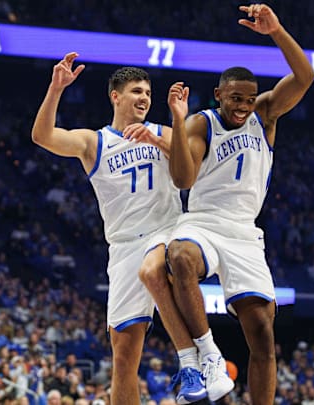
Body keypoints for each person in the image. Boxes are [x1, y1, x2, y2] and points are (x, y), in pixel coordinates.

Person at [31, 53, 205, 404]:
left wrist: (159, 139)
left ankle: (195, 361)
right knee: (124, 357)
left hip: (166, 232)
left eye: (148, 93)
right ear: (116, 96)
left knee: (153, 270)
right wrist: (55, 89)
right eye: (137, 91)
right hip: (124, 247)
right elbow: (42, 136)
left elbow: (194, 157)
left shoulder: (163, 132)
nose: (144, 98)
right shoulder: (94, 142)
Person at [164, 4, 314, 404]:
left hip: (245, 230)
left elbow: (305, 76)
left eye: (248, 98)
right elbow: (182, 179)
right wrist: (177, 123)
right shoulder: (201, 123)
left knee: (263, 334)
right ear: (218, 95)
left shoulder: (265, 114)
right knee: (179, 256)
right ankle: (206, 354)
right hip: (204, 221)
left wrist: (277, 31)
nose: (242, 105)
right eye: (234, 98)